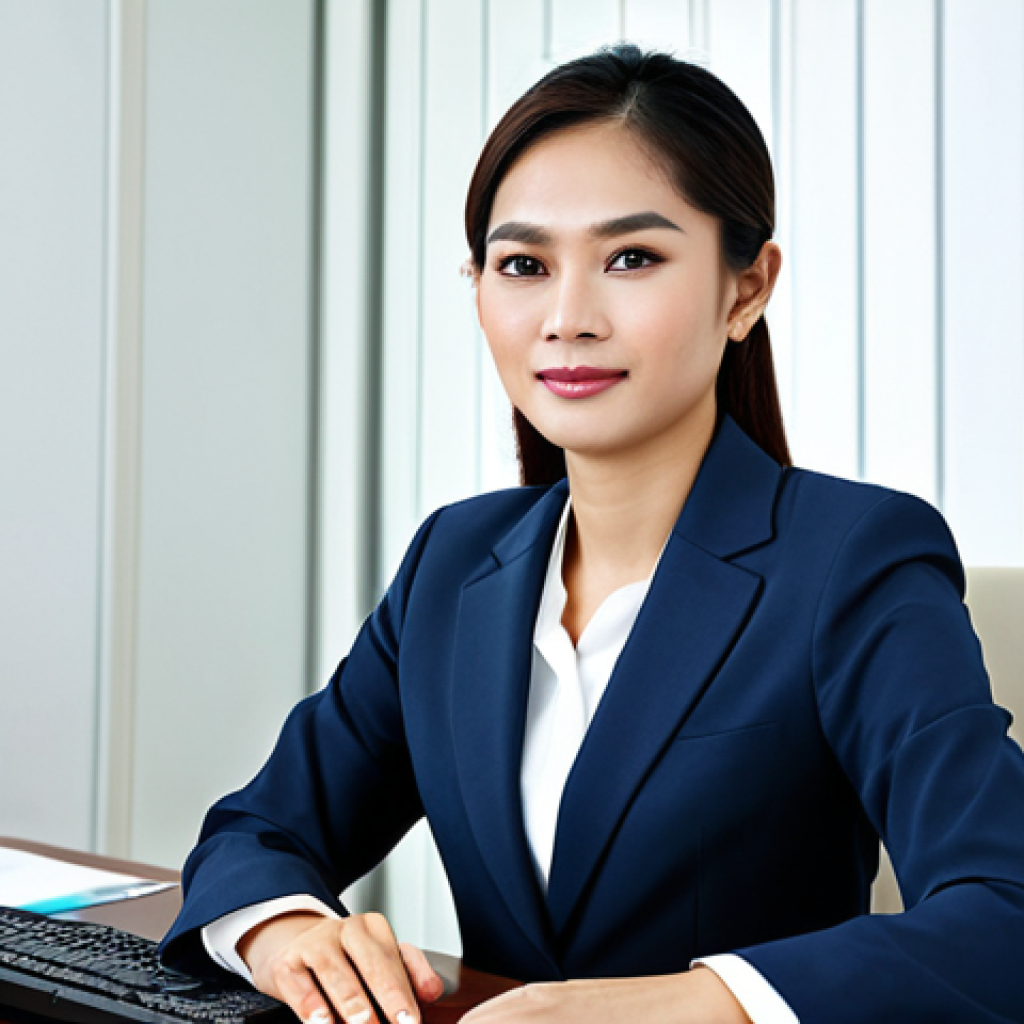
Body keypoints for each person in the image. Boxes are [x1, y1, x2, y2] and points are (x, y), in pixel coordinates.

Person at [158, 44, 1024, 1024]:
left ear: (745, 289)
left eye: (631, 259)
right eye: (522, 265)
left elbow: (1003, 915)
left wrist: (693, 1004)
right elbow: (260, 827)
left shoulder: (851, 558)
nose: (567, 318)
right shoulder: (454, 562)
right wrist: (291, 934)